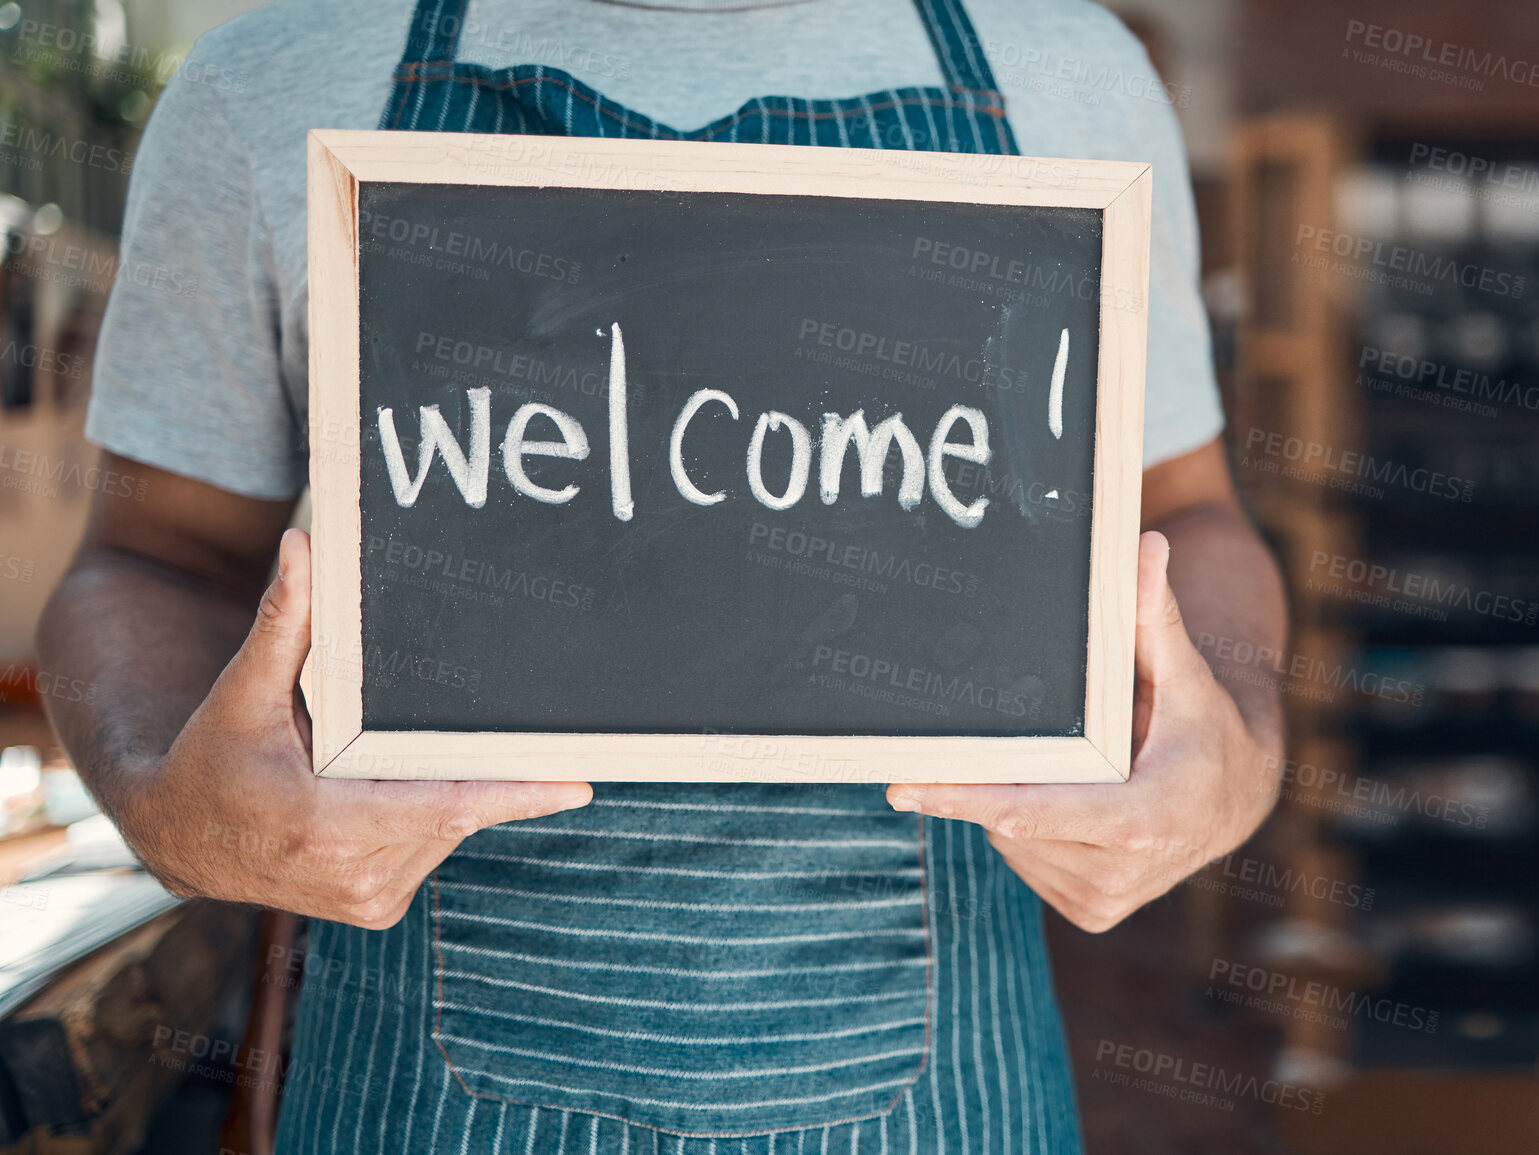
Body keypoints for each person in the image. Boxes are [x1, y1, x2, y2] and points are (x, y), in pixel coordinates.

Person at [36, 0, 1288, 1149]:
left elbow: (1187, 513)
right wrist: (161, 795)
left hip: (952, 1093)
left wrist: (1232, 756)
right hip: (417, 1098)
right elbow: (151, 555)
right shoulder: (267, 79)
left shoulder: (1069, 73)